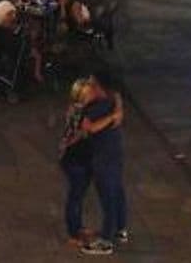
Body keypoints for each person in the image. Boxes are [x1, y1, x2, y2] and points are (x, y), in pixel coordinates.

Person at [79, 70, 128, 255]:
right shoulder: (111, 98)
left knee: (108, 197)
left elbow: (89, 128)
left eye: (92, 84)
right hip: (115, 153)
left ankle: (106, 241)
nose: (88, 86)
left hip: (104, 157)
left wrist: (112, 117)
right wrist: (117, 112)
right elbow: (118, 96)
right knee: (118, 191)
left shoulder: (96, 108)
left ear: (99, 88)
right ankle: (119, 229)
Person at [59, 78, 95, 247]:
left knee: (79, 195)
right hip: (75, 159)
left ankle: (78, 227)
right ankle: (73, 233)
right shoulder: (79, 110)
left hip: (82, 157)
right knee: (75, 196)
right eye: (89, 92)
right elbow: (75, 136)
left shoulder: (83, 109)